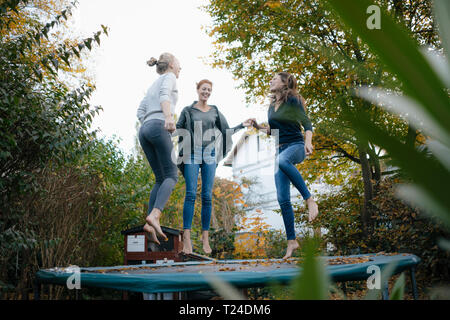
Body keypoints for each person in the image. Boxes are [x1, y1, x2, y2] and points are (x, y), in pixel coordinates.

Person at [176, 79, 254, 254]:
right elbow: (177, 129)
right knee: (190, 194)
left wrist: (242, 125)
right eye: (204, 89)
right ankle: (187, 237)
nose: (206, 92)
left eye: (209, 90)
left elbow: (226, 131)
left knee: (207, 196)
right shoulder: (188, 111)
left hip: (209, 154)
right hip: (192, 153)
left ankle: (205, 237)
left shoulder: (215, 111)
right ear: (197, 90)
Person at [252, 72, 319, 259]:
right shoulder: (272, 106)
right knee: (282, 198)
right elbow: (274, 131)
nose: (271, 80)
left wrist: (308, 142)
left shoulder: (293, 100)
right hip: (279, 149)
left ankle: (309, 200)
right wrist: (258, 127)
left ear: (284, 83)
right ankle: (292, 241)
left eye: (274, 78)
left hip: (296, 147)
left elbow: (306, 123)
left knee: (282, 161)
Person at [136, 52, 181, 244]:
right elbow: (165, 96)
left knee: (160, 179)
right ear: (171, 64)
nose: (180, 69)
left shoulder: (151, 85)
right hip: (158, 125)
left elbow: (140, 112)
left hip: (144, 129)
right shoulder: (170, 77)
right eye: (179, 65)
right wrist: (168, 117)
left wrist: (148, 124)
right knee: (172, 176)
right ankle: (155, 215)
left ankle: (148, 222)